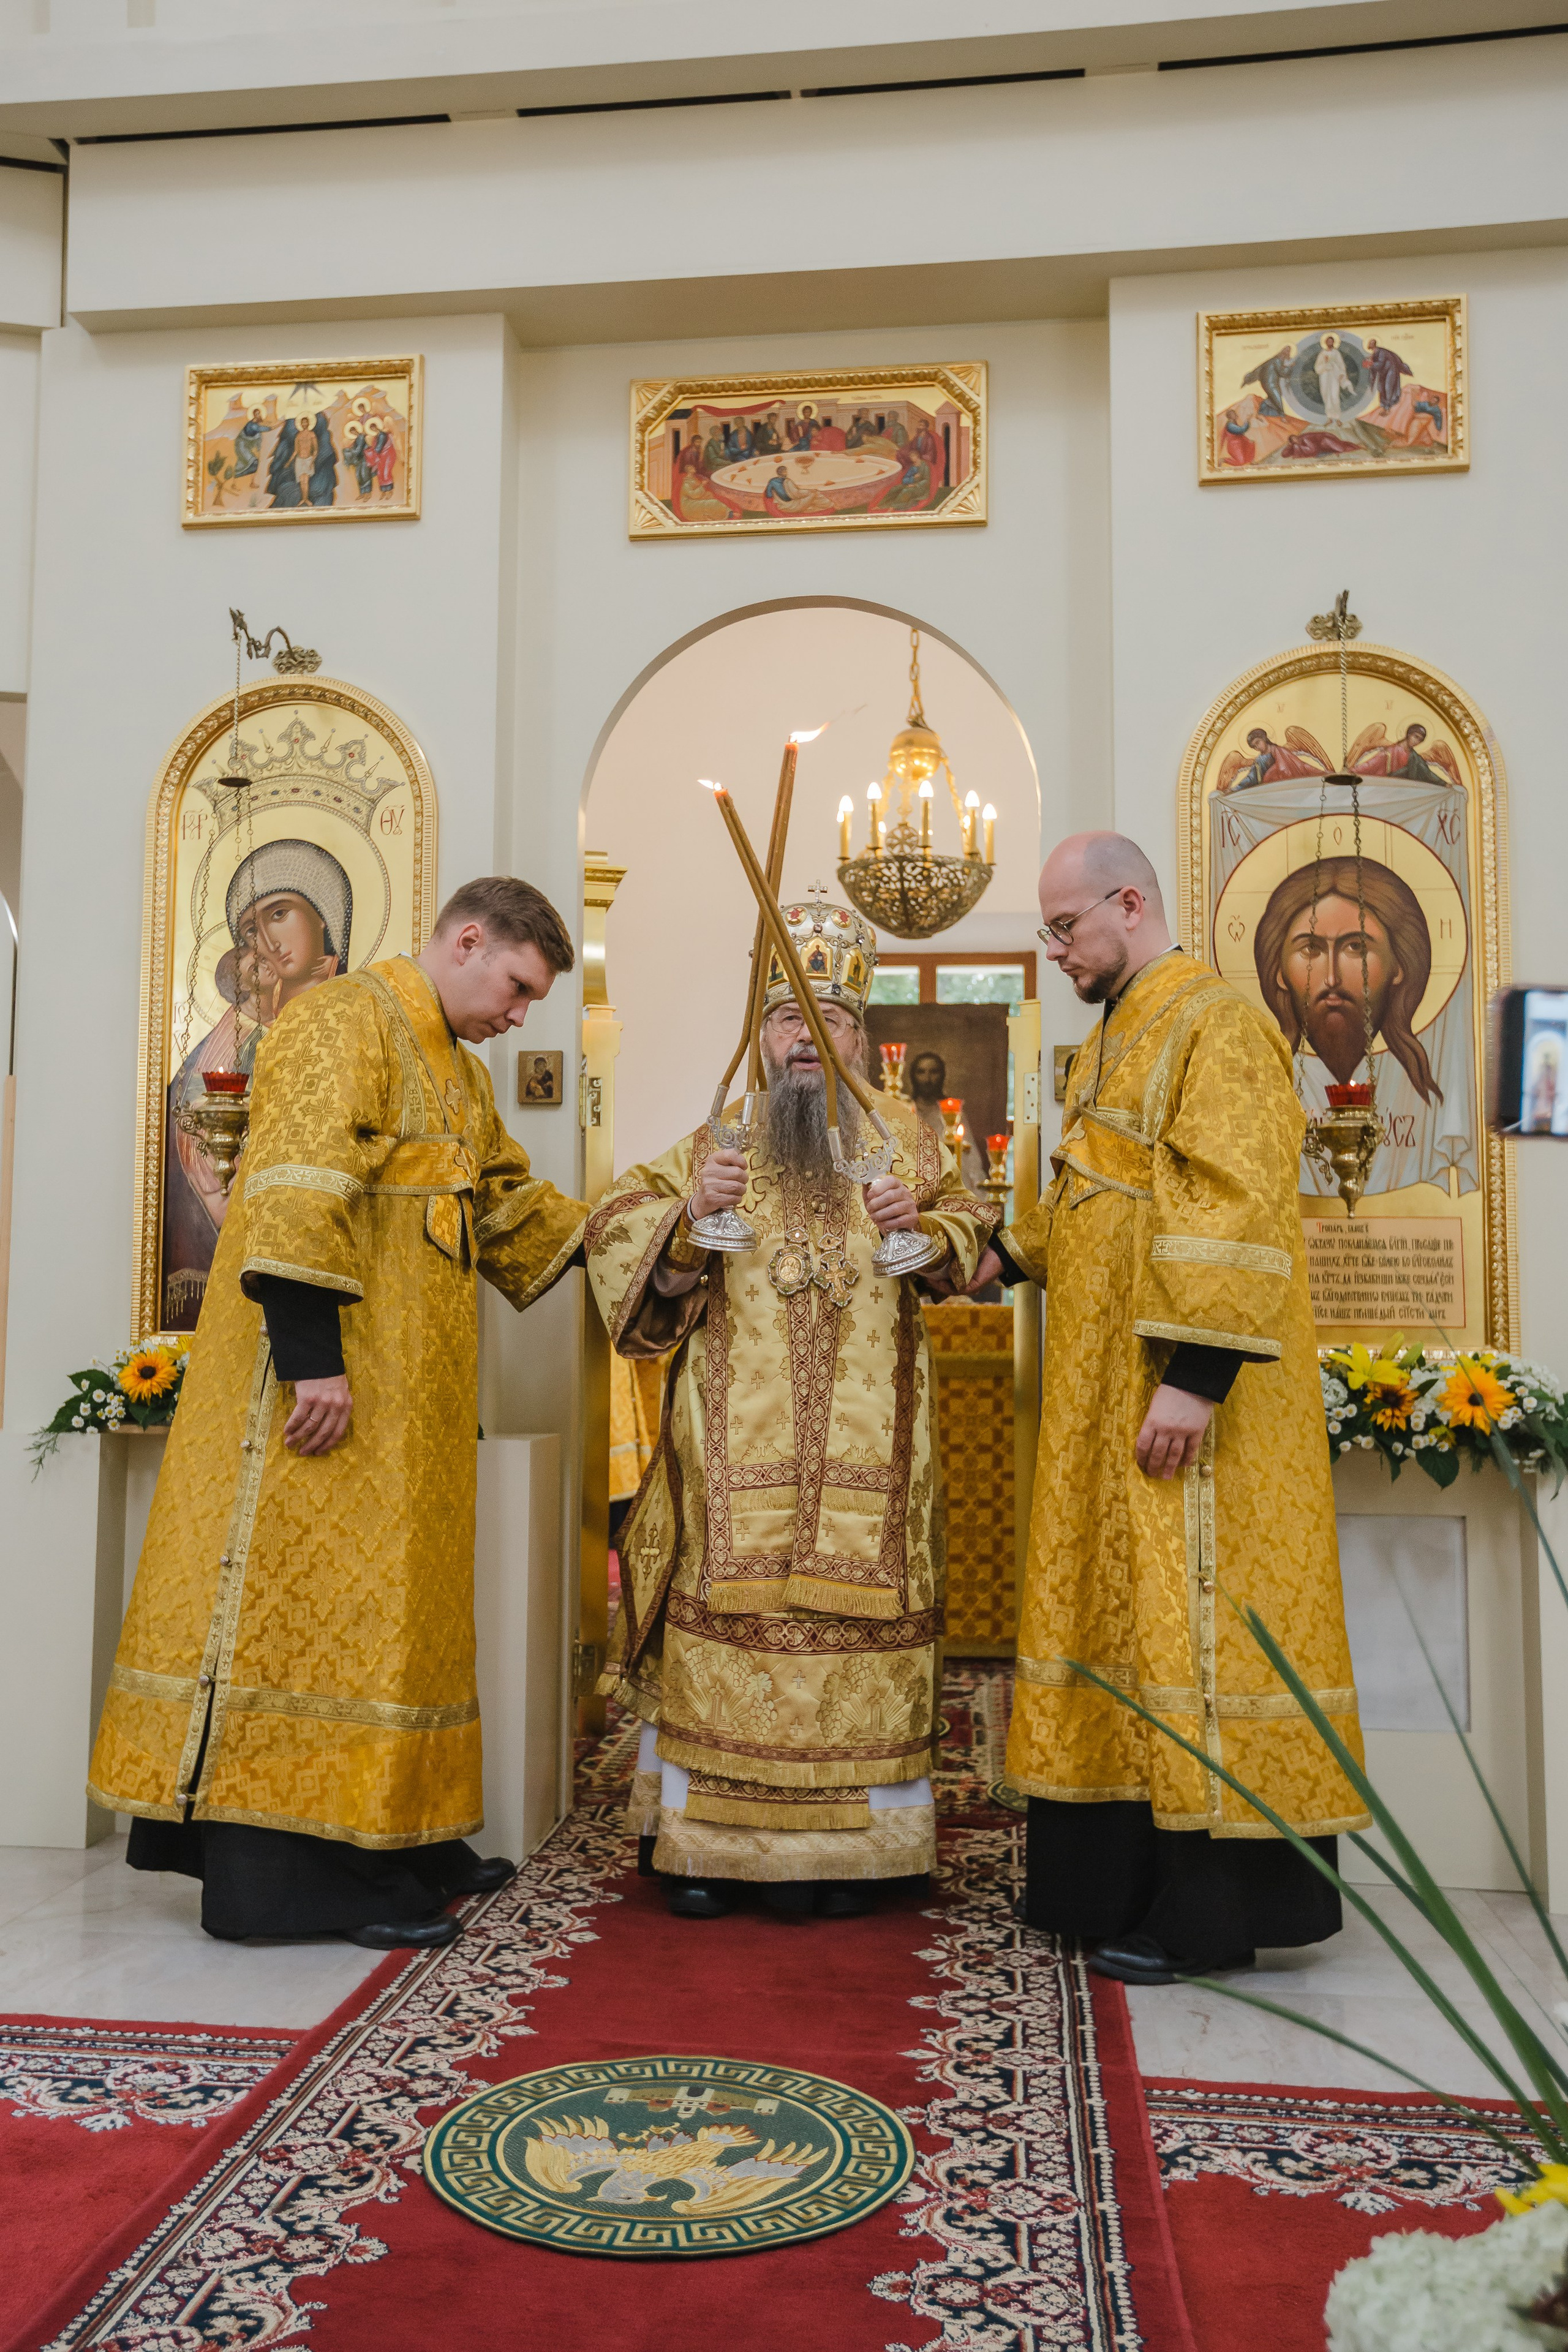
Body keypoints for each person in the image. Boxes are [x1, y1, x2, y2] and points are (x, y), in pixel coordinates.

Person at [89, 877, 589, 1949]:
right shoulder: (338, 1018)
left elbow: (512, 1210)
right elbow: (293, 1188)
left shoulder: (456, 1070)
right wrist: (311, 1359)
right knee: (306, 1627)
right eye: (516, 987)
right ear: (466, 940)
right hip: (321, 1393)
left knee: (393, 1625)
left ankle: (401, 1844)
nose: (518, 1015)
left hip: (408, 1410)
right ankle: (298, 1886)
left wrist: (652, 1226)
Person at [948, 832, 1367, 1985]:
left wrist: (1195, 1375)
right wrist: (997, 1254)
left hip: (1179, 1397)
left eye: (1065, 928)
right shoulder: (1117, 1032)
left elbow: (1235, 1204)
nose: (1057, 950)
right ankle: (1104, 1886)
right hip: (1099, 1396)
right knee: (1118, 1625)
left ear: (1130, 904)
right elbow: (1088, 1194)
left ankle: (1202, 1910)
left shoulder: (1214, 1023)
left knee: (1190, 1628)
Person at [587, 897, 997, 1920]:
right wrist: (688, 1226)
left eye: (834, 1019)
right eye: (787, 1017)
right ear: (762, 1037)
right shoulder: (720, 1140)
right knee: (735, 1612)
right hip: (738, 1457)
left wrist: (930, 1235)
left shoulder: (909, 1140)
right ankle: (709, 1850)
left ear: (862, 1036)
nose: (810, 1037)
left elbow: (978, 1239)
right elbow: (616, 1236)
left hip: (872, 1457)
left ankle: (860, 1858)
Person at [1313, 333, 1352, 422]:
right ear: (1326, 343)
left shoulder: (1336, 353)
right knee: (1326, 396)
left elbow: (1341, 365)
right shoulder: (1322, 354)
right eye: (1328, 341)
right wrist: (1325, 366)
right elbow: (1317, 367)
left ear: (1334, 342)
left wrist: (1342, 373)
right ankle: (1329, 418)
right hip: (1324, 376)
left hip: (1334, 376)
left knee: (1335, 395)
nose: (1330, 343)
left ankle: (1338, 418)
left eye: (1331, 341)